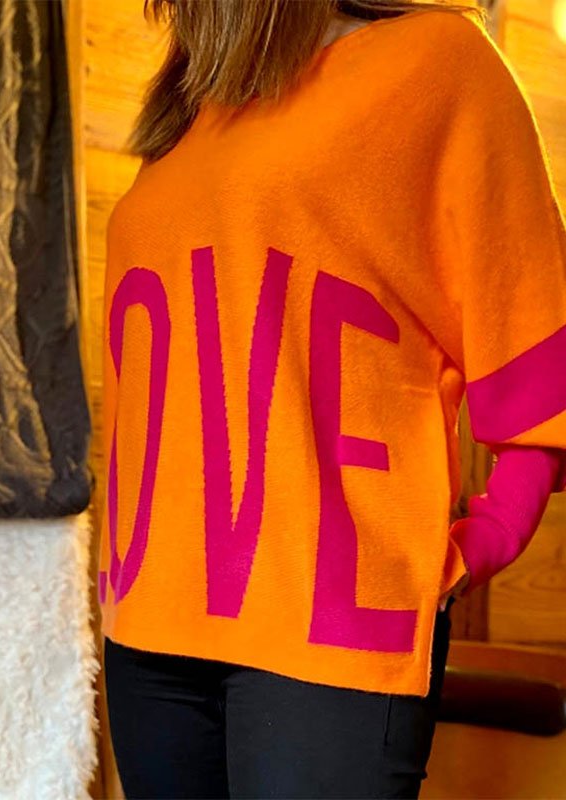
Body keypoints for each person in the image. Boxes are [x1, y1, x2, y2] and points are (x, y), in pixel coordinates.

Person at [97, 1, 566, 797]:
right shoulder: (184, 112)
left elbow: (533, 338)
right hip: (149, 620)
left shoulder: (436, 61)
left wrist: (486, 538)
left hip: (330, 626)